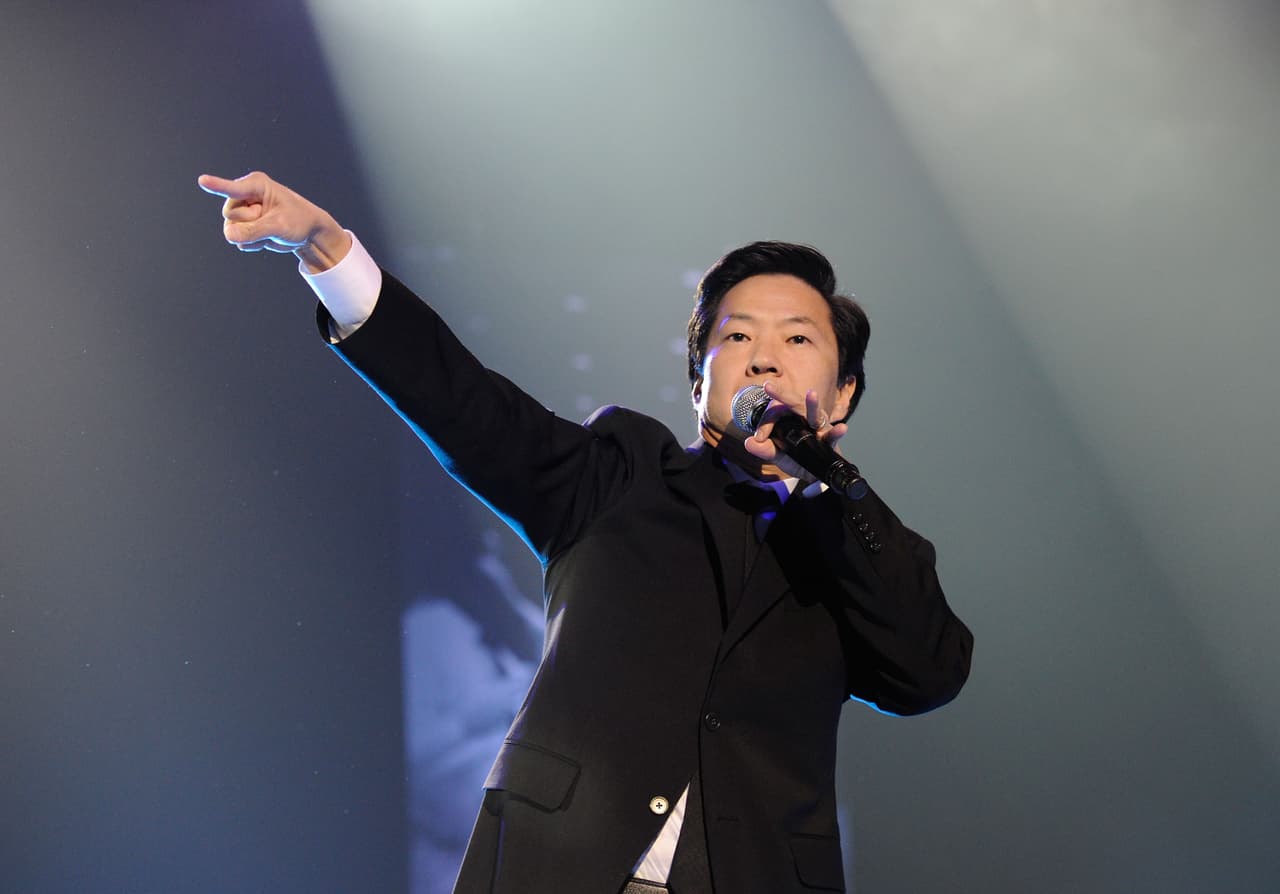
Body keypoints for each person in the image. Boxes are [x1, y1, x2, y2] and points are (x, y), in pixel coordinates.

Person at [198, 171, 973, 894]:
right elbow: (466, 405)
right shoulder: (620, 476)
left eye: (797, 340)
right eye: (737, 338)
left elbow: (927, 674)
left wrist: (833, 491)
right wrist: (327, 248)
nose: (764, 360)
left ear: (842, 394)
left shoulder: (859, 551)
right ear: (698, 381)